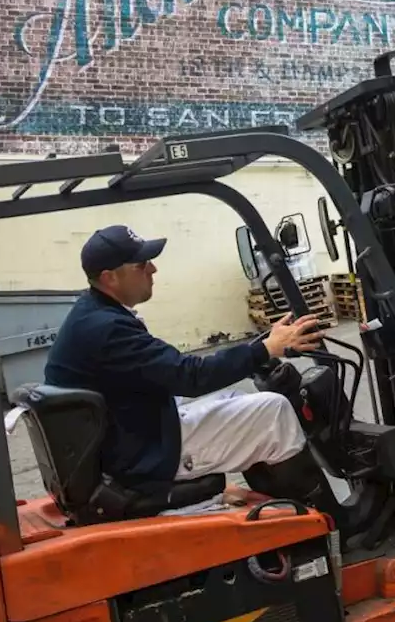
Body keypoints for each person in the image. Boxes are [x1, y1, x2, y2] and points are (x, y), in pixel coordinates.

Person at [44, 224, 353, 531]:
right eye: (141, 265)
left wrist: (261, 347)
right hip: (141, 456)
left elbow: (172, 370)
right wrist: (265, 350)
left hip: (129, 436)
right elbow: (189, 376)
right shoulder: (108, 328)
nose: (153, 268)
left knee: (238, 400)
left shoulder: (94, 313)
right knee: (274, 413)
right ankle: (332, 527)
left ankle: (280, 510)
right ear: (110, 277)